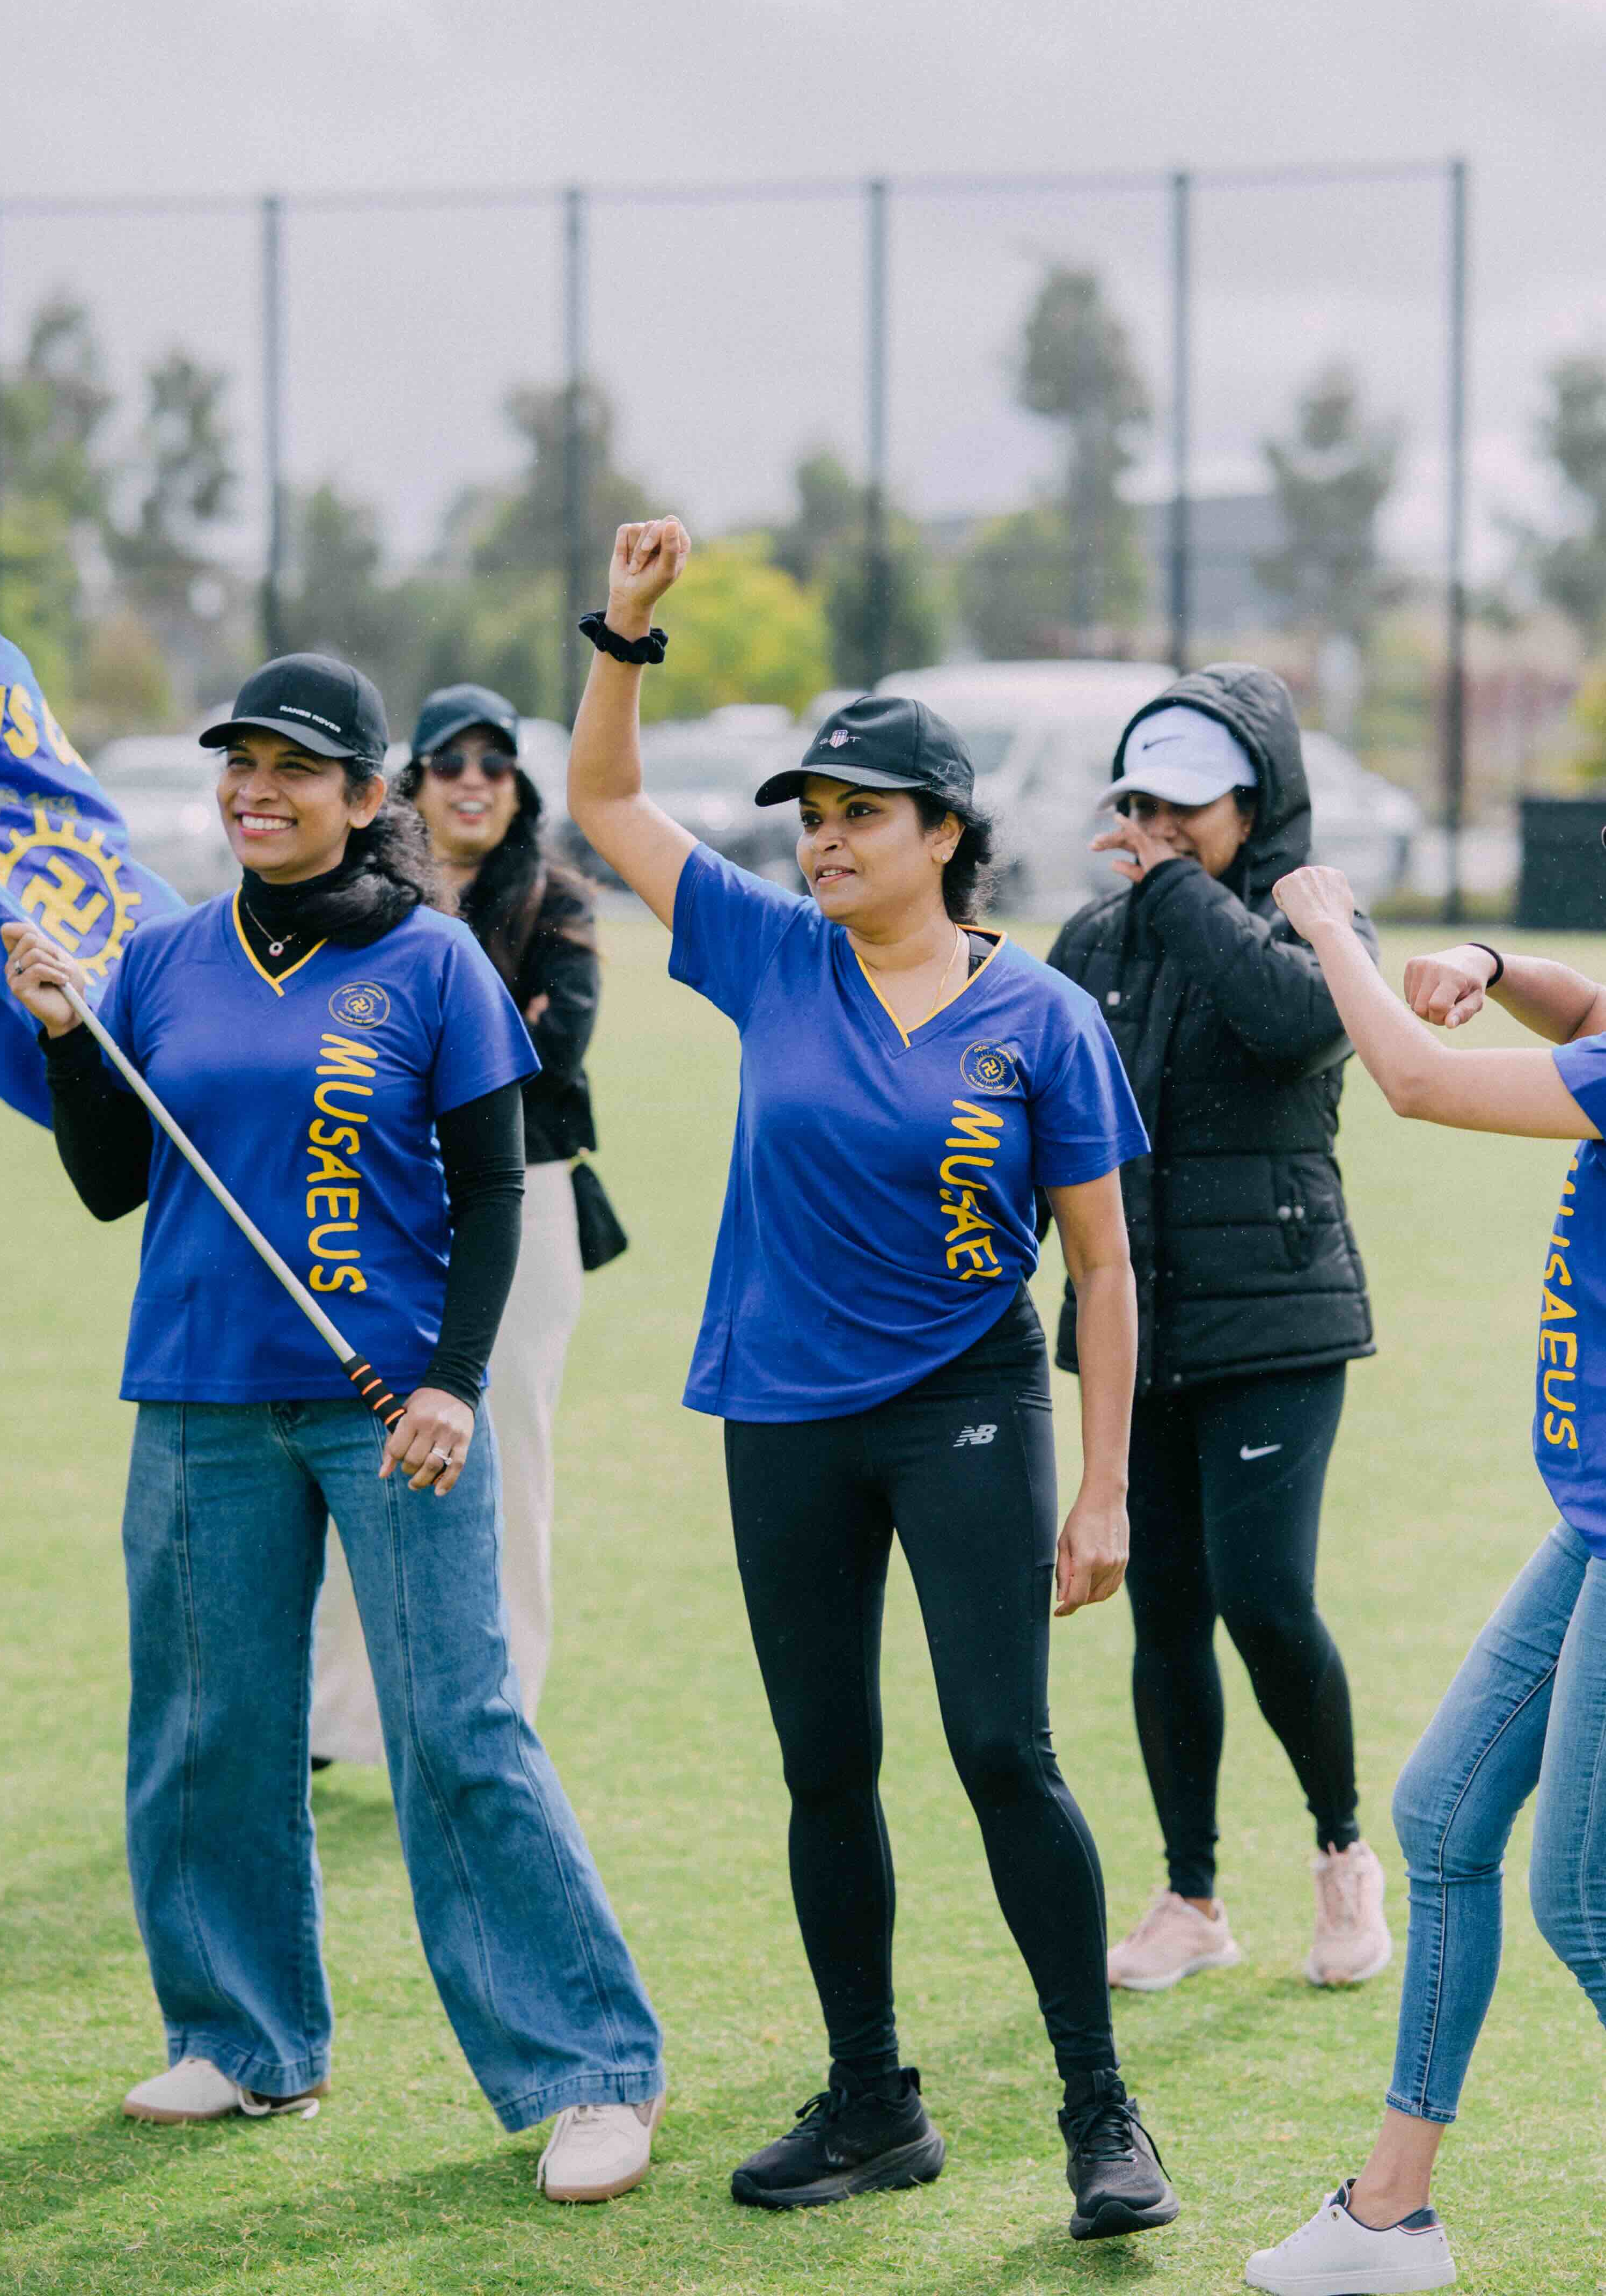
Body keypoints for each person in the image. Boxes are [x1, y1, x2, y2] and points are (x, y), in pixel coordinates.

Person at [566, 516, 1179, 2242]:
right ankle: (869, 2101)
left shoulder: (1039, 1013)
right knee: (824, 1762)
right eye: (812, 821)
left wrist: (1107, 1483)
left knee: (1004, 1752)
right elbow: (608, 805)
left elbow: (1109, 1266)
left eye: (859, 819)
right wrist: (624, 636)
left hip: (969, 1405)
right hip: (784, 1415)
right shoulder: (771, 952)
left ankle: (1100, 2117)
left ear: (947, 836)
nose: (825, 843)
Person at [0, 651, 663, 2204]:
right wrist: (56, 1032)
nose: (256, 789)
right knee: (206, 1730)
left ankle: (589, 2075)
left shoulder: (437, 961)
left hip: (395, 1406)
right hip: (198, 1395)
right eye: (239, 762)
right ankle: (244, 2037)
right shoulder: (161, 960)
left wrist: (452, 1379)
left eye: (294, 767)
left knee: (459, 1727)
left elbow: (497, 1190)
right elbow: (114, 1183)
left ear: (367, 799)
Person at [1243, 895, 1606, 2295]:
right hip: (1589, 1519)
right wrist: (1499, 965)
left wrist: (1332, 926)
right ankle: (1389, 2217)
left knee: (1581, 1898)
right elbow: (1585, 1018)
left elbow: (1415, 1081)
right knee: (1444, 1813)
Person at [1047, 667, 1389, 1993]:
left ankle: (1342, 1855)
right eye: (1143, 799)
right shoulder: (1090, 940)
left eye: (1190, 805)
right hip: (1139, 1327)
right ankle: (1189, 1895)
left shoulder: (1317, 916)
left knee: (1264, 1597)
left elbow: (1295, 1020)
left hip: (1281, 1325)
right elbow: (1043, 1134)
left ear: (1257, 802)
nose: (1162, 823)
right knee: (1166, 1609)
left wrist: (1176, 886)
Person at [312, 682, 598, 1756]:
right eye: (449, 761)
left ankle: (503, 1701)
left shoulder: (553, 899)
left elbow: (551, 1063)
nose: (472, 781)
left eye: (495, 762)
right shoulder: (357, 901)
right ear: (408, 782)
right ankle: (338, 1713)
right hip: (380, 1205)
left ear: (518, 785)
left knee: (506, 1456)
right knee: (351, 1440)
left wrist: (430, 1036)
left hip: (524, 1201)